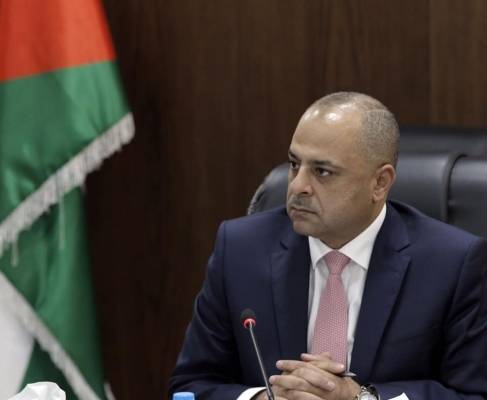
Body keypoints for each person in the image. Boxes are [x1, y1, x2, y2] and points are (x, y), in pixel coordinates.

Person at [169, 92, 487, 400]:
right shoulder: (241, 249)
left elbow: (473, 394)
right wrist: (261, 399)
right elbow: (191, 385)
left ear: (380, 182)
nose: (298, 186)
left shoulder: (453, 263)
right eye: (294, 164)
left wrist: (361, 398)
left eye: (322, 172)